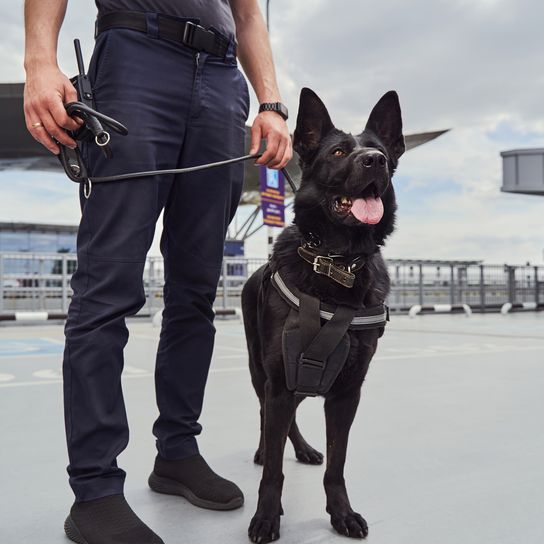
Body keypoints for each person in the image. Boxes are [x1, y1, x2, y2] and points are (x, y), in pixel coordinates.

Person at [23, 1, 292, 542]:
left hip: (221, 79)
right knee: (107, 290)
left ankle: (177, 452)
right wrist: (39, 62)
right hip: (136, 59)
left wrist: (271, 103)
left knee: (196, 291)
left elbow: (248, 16)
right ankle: (95, 491)